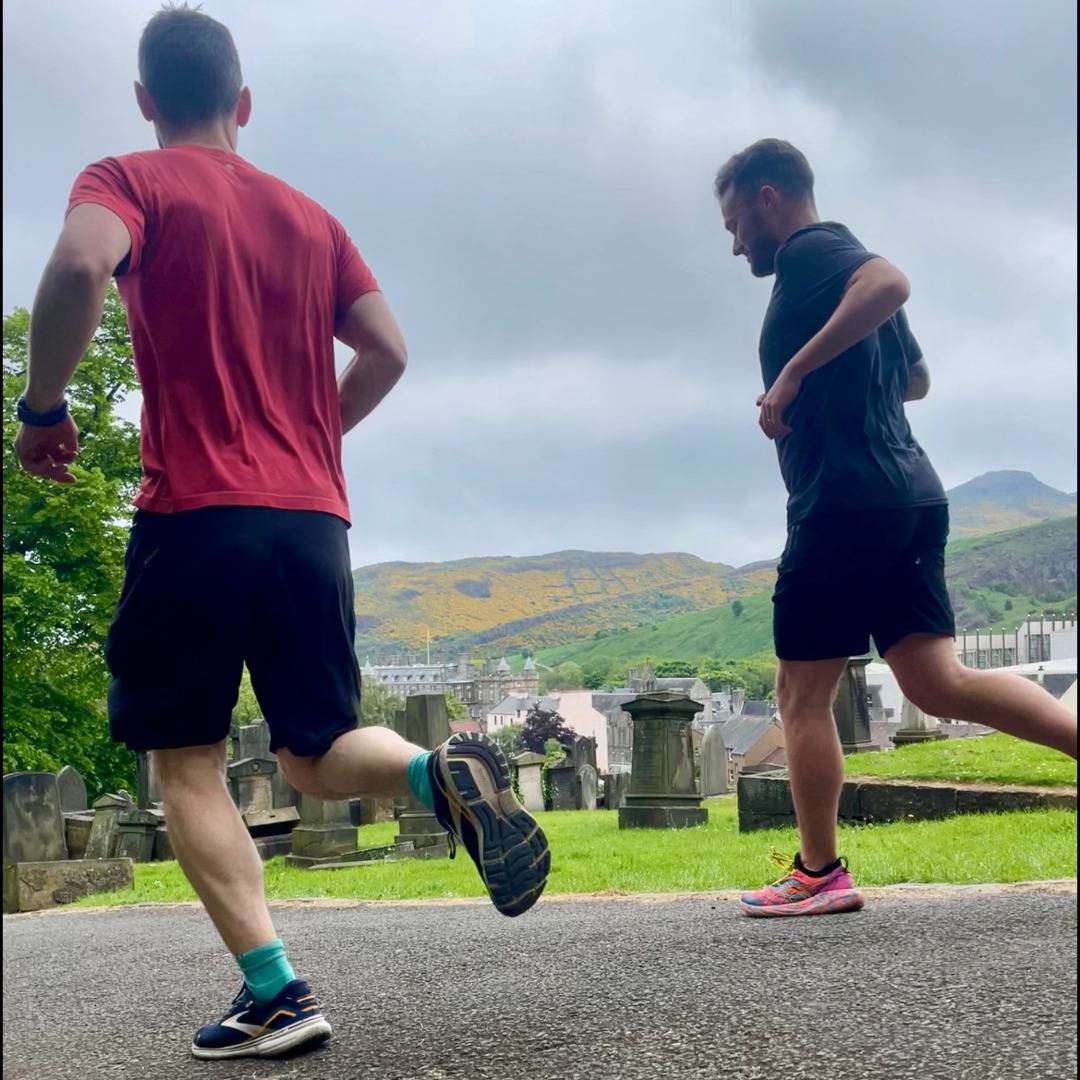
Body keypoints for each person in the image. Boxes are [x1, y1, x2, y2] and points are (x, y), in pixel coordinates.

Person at [14, 4, 549, 1059]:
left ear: (143, 100)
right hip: (312, 518)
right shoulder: (312, 217)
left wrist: (43, 408)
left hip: (196, 513)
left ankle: (277, 990)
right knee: (312, 751)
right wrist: (313, 438)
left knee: (189, 762)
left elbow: (80, 268)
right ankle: (435, 774)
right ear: (243, 103)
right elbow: (389, 349)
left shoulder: (126, 179)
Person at [714, 138, 1077, 918]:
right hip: (910, 491)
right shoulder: (829, 272)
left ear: (768, 196)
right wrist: (845, 384)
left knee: (799, 693)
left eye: (735, 220)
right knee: (936, 682)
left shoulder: (815, 251)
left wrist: (795, 373)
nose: (734, 240)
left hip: (843, 501)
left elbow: (891, 281)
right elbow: (916, 377)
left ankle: (818, 872)